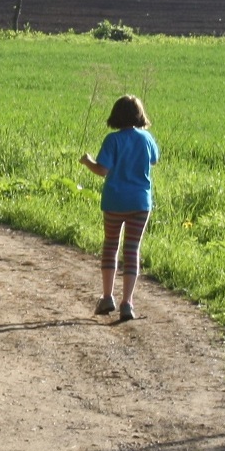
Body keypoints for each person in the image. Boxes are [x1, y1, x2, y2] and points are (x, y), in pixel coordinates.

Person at [79, 95, 160, 322]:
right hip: (140, 203)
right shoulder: (146, 138)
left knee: (111, 246)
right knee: (132, 250)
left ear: (116, 115)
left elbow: (103, 170)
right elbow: (153, 160)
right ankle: (127, 303)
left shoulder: (112, 140)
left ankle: (107, 297)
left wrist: (87, 161)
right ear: (139, 115)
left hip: (115, 201)